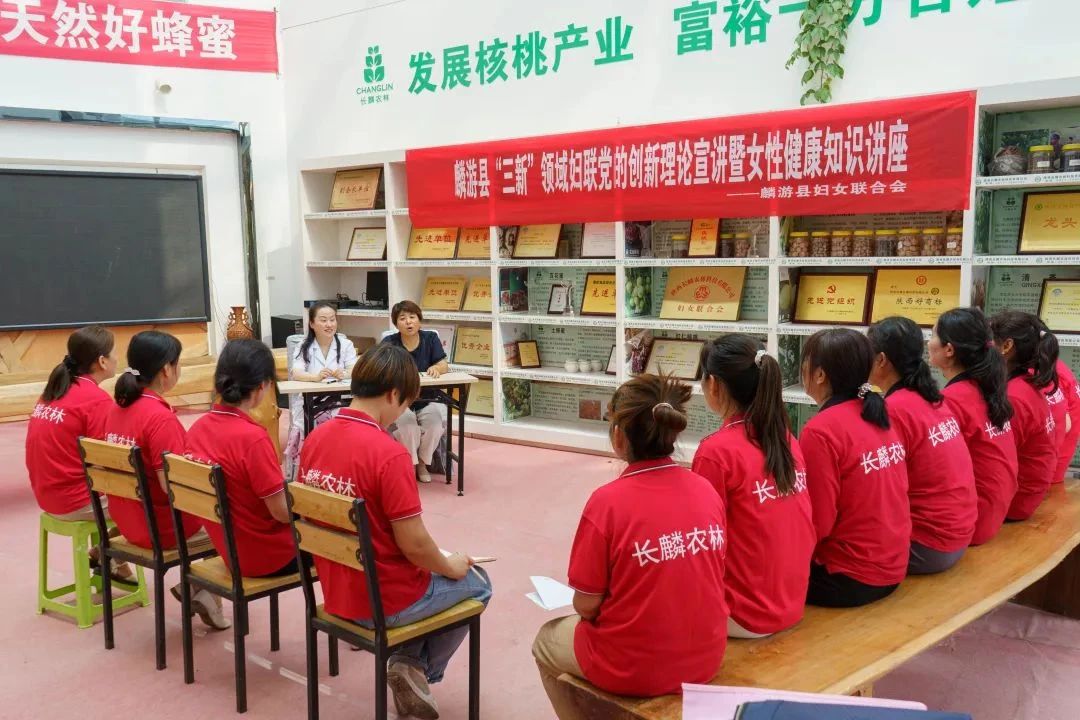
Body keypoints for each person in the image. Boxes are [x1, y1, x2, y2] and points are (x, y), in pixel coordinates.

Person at [298, 345, 491, 720]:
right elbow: (415, 546)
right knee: (478, 582)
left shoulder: (315, 440)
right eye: (406, 403)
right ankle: (413, 667)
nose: (403, 412)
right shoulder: (388, 454)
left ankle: (408, 665)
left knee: (437, 566)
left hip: (336, 593)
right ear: (392, 395)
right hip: (384, 604)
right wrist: (450, 565)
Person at [533, 375, 727, 720]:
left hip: (633, 666)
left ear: (619, 437)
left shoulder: (606, 503)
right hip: (707, 656)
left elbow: (586, 605)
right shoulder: (705, 490)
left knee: (546, 642)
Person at [99, 331, 226, 628]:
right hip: (161, 530)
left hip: (127, 521)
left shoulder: (116, 408)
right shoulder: (159, 418)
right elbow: (175, 489)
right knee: (230, 520)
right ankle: (202, 588)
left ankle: (202, 590)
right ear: (167, 369)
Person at [693, 335, 814, 637]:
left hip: (744, 616)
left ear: (714, 385)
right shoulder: (786, 438)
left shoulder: (715, 452)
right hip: (792, 602)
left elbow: (701, 545)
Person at [799, 328, 910, 607]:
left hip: (849, 577)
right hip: (894, 565)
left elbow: (818, 522)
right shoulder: (876, 411)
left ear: (820, 374)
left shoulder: (820, 431)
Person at [868, 317, 977, 574]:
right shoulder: (930, 397)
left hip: (927, 547)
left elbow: (880, 492)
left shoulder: (894, 409)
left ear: (881, 360)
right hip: (959, 535)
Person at [24, 325, 133, 580]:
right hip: (75, 501)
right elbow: (109, 461)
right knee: (151, 498)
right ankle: (109, 554)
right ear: (102, 361)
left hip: (46, 496)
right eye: (115, 352)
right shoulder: (95, 400)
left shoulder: (55, 389)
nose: (118, 358)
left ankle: (111, 558)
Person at [185, 339, 297, 583]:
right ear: (261, 387)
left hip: (229, 549)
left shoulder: (197, 429)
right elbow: (282, 513)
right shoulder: (252, 438)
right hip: (270, 555)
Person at [930, 308, 1017, 545]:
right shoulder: (984, 387)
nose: (928, 342)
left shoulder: (953, 399)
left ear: (949, 350)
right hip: (993, 513)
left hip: (973, 521)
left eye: (933, 335)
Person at [990, 311, 1059, 520]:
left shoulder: (1014, 396)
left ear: (1006, 346)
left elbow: (998, 462)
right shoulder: (1023, 384)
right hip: (1025, 495)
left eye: (986, 341)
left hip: (1015, 502)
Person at [285, 301, 358, 476]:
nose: (329, 324)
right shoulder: (304, 345)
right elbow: (296, 372)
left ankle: (338, 471)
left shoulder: (345, 344)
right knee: (306, 425)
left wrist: (344, 374)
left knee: (342, 425)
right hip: (309, 402)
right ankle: (309, 470)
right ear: (312, 323)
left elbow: (355, 369)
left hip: (339, 400)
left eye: (332, 319)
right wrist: (315, 377)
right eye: (323, 320)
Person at [381, 300, 449, 483]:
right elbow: (380, 368)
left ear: (419, 320)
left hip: (427, 398)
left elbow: (443, 364)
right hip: (400, 400)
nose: (408, 322)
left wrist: (437, 368)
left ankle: (423, 463)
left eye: (412, 317)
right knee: (407, 427)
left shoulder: (430, 338)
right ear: (396, 324)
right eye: (402, 318)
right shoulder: (389, 342)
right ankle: (410, 464)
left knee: (435, 425)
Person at [1054, 359, 1080, 483]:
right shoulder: (1057, 366)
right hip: (1054, 468)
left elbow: (1063, 425)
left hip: (1044, 472)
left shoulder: (1043, 373)